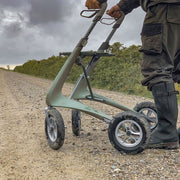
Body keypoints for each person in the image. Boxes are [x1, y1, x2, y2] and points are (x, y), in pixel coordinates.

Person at [85, 0, 180, 149]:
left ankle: (166, 133)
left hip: (165, 9)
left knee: (157, 67)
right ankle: (167, 132)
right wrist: (122, 7)